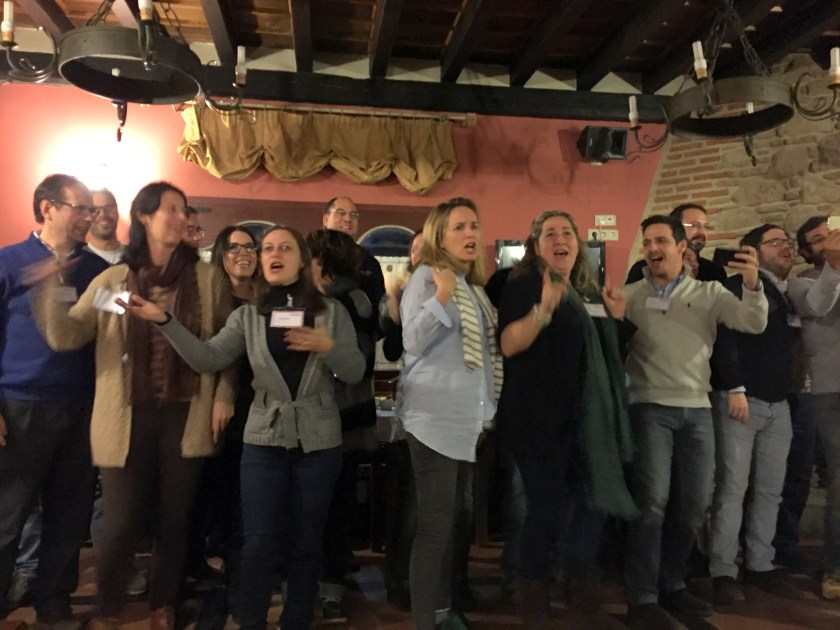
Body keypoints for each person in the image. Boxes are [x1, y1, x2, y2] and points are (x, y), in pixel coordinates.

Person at [118, 225, 365, 630]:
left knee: (306, 542)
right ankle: (250, 620)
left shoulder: (332, 312)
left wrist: (328, 348)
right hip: (264, 440)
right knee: (258, 543)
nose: (274, 254)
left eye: (285, 247)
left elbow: (354, 371)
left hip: (319, 441)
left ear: (302, 260)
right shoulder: (248, 315)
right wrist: (164, 320)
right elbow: (206, 358)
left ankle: (296, 620)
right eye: (268, 249)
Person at [28, 182, 235, 630]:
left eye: (184, 210)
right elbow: (68, 335)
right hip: (126, 415)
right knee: (120, 522)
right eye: (170, 209)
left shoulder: (207, 278)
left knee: (175, 520)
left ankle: (163, 603)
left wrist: (224, 394)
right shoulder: (114, 281)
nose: (180, 218)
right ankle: (107, 608)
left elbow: (227, 345)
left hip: (186, 413)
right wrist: (49, 288)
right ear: (143, 216)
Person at [620, 215, 768, 630]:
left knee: (693, 506)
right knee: (652, 504)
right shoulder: (629, 295)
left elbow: (754, 322)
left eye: (661, 240)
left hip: (698, 409)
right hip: (648, 407)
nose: (652, 249)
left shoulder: (709, 292)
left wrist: (753, 284)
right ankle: (642, 597)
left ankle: (672, 583)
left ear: (681, 247)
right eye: (647, 242)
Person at [497, 211, 635, 629]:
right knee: (545, 511)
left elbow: (604, 356)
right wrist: (543, 309)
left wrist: (617, 318)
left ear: (578, 243)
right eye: (549, 234)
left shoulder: (587, 291)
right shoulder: (523, 284)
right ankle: (534, 599)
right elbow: (509, 344)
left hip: (584, 422)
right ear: (535, 246)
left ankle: (579, 591)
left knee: (591, 505)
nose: (560, 239)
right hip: (538, 422)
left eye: (567, 233)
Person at [0, 174, 108, 628]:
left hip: (82, 407)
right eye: (80, 208)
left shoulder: (96, 269)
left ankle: (54, 604)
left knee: (69, 513)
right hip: (20, 405)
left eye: (91, 210)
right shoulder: (9, 261)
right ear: (48, 208)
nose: (89, 217)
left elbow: (116, 322)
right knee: (8, 515)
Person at [399, 197, 502, 630]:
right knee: (435, 528)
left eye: (474, 225)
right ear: (439, 237)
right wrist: (441, 294)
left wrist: (486, 412)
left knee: (454, 525)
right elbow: (411, 340)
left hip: (466, 421)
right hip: (433, 419)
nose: (470, 233)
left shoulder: (473, 287)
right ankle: (427, 620)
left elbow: (483, 357)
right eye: (459, 227)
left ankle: (441, 611)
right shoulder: (428, 277)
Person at [708, 225, 801, 606]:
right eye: (775, 242)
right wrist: (735, 386)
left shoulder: (783, 292)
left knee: (769, 490)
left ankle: (761, 563)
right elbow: (723, 338)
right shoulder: (735, 286)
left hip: (779, 404)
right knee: (732, 490)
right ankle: (722, 570)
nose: (785, 247)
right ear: (751, 250)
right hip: (742, 401)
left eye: (787, 242)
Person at [189, 226, 260, 629]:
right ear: (220, 253)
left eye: (249, 246)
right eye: (233, 247)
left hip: (259, 409)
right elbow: (211, 353)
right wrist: (224, 394)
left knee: (243, 503)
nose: (243, 253)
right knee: (213, 495)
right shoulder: (211, 295)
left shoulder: (267, 298)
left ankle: (239, 583)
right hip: (215, 409)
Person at [307, 228, 378, 623]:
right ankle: (329, 578)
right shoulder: (357, 297)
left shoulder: (343, 302)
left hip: (337, 414)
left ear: (320, 262)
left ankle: (327, 585)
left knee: (328, 506)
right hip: (347, 414)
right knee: (335, 504)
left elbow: (356, 365)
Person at [787, 216, 840, 600]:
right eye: (818, 240)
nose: (828, 243)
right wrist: (834, 266)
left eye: (830, 235)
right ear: (807, 251)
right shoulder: (801, 282)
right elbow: (819, 305)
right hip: (831, 392)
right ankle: (835, 567)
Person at [322, 197, 385, 326]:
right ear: (326, 220)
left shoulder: (368, 261)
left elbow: (379, 307)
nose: (348, 219)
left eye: (354, 215)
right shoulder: (312, 254)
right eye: (341, 213)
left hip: (359, 333)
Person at [625, 203, 726, 284]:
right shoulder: (644, 269)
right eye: (694, 225)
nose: (702, 232)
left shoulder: (714, 271)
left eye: (705, 226)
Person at [85, 188, 125, 264]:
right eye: (95, 210)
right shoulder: (76, 262)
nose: (103, 214)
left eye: (108, 208)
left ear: (117, 212)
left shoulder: (136, 258)